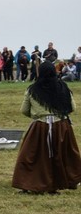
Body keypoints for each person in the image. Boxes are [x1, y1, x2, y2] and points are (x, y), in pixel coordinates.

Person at [12, 61, 81, 194]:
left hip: (40, 127)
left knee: (31, 156)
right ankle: (56, 184)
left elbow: (24, 110)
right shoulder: (63, 87)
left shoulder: (32, 89)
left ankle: (30, 184)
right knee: (61, 155)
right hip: (62, 127)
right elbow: (72, 107)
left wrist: (37, 116)